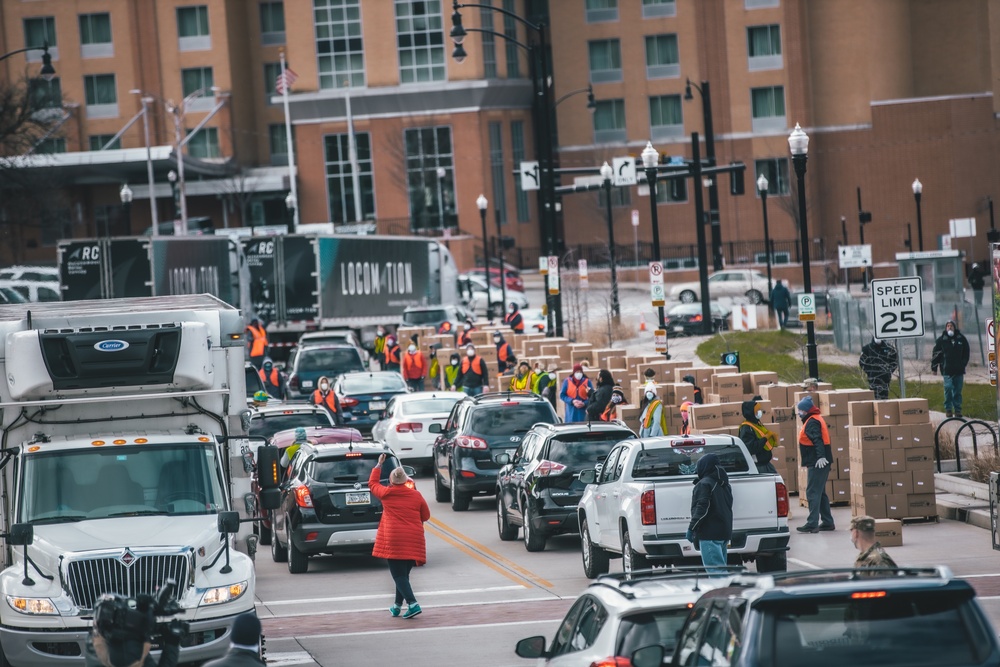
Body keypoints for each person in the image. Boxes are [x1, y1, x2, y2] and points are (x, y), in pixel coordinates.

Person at [369, 453, 431, 620]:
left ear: (391, 481)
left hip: (394, 540)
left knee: (398, 576)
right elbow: (426, 516)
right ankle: (396, 607)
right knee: (403, 575)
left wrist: (378, 465)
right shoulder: (416, 495)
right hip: (414, 539)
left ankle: (412, 603)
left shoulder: (386, 494)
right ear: (406, 480)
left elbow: (372, 483)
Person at [686, 453, 734, 574]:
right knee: (721, 569)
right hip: (724, 533)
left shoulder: (704, 484)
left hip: (709, 534)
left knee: (716, 572)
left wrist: (692, 528)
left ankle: (723, 592)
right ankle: (726, 591)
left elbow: (702, 508)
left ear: (704, 467)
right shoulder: (724, 484)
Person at [796, 395, 835, 533]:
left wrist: (821, 457)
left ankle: (812, 523)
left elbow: (817, 440)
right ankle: (828, 522)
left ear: (806, 411)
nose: (799, 412)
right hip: (820, 461)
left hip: (818, 462)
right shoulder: (814, 418)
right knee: (820, 492)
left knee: (812, 492)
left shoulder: (812, 422)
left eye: (800, 410)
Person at [931, 320, 970, 418]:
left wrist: (963, 364)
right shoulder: (941, 340)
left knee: (957, 391)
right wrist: (934, 368)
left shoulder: (961, 339)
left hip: (958, 370)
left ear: (954, 327)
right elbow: (936, 354)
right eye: (948, 326)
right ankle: (948, 408)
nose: (949, 327)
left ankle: (957, 410)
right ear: (945, 328)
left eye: (951, 326)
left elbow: (966, 352)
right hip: (946, 370)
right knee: (948, 388)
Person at [738, 397, 778, 474]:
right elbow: (750, 448)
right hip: (758, 466)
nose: (760, 412)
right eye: (757, 411)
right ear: (751, 412)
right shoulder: (746, 428)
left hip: (765, 464)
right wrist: (765, 438)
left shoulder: (756, 424)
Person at [859, 336, 898, 400]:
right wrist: (869, 371)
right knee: (874, 396)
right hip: (873, 377)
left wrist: (889, 371)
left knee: (884, 396)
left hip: (885, 377)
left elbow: (894, 361)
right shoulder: (867, 348)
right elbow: (862, 362)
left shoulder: (889, 348)